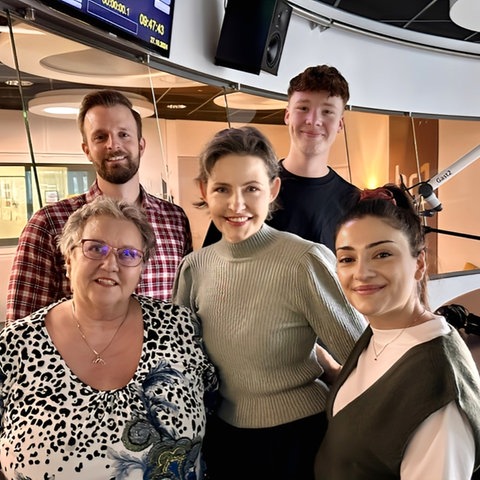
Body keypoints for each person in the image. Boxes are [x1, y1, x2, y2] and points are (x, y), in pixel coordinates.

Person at [172, 126, 366, 480]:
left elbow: (365, 354)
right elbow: (183, 366)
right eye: (222, 189)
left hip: (299, 440)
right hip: (224, 440)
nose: (236, 205)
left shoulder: (304, 260)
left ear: (273, 189)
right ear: (204, 191)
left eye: (251, 189)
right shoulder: (194, 268)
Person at [0, 196, 216, 479]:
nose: (110, 264)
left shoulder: (180, 328)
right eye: (95, 248)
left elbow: (214, 406)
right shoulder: (14, 345)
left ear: (141, 268)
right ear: (68, 258)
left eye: (128, 254)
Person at [315, 185, 480, 479]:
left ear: (418, 263)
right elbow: (378, 403)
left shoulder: (439, 390)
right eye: (347, 258)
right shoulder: (380, 331)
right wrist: (326, 366)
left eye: (382, 254)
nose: (361, 272)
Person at [6, 89, 192, 323]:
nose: (113, 145)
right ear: (87, 150)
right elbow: (22, 329)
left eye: (124, 134)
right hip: (80, 358)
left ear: (141, 145)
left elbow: (185, 309)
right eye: (100, 137)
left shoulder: (174, 219)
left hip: (161, 358)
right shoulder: (49, 222)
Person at [202, 64, 359, 251]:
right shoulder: (249, 188)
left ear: (340, 124)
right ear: (287, 115)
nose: (313, 120)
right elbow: (213, 262)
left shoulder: (353, 202)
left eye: (327, 111)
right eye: (303, 108)